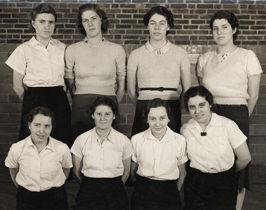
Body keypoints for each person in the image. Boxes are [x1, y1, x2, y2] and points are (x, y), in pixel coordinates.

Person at [197, 10, 262, 209]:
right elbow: (202, 94)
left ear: (234, 29)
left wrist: (239, 119)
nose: (219, 32)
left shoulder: (247, 56)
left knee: (237, 166)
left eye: (225, 27)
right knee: (211, 160)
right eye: (215, 28)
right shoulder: (205, 59)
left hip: (237, 114)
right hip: (210, 115)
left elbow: (254, 95)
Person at [5, 4, 72, 147]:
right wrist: (31, 101)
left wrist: (58, 95)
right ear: (33, 23)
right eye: (42, 21)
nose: (47, 26)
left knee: (61, 139)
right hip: (34, 98)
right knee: (34, 142)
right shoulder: (24, 49)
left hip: (59, 98)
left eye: (51, 22)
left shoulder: (62, 48)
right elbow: (17, 86)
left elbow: (66, 81)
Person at [181, 86, 251, 210]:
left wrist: (227, 174)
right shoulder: (186, 129)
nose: (197, 111)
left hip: (223, 183)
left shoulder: (227, 125)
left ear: (210, 104)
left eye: (202, 105)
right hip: (196, 183)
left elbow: (245, 158)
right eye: (192, 107)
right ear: (188, 109)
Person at [65, 4, 126, 141]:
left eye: (94, 18)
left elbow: (122, 86)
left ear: (101, 20)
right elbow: (70, 82)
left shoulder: (116, 50)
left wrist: (112, 104)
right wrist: (80, 97)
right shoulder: (72, 50)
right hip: (81, 105)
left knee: (110, 145)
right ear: (82, 24)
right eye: (85, 20)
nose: (90, 23)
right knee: (80, 146)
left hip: (109, 103)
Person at [127, 6, 191, 136]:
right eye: (152, 23)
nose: (157, 28)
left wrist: (175, 106)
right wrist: (143, 106)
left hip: (171, 106)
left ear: (168, 27)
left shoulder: (180, 53)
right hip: (144, 105)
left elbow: (187, 88)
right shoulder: (135, 54)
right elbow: (131, 91)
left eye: (162, 23)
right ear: (147, 26)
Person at [5, 107, 72, 210]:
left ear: (51, 127)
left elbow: (66, 169)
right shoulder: (17, 148)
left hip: (55, 197)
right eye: (37, 125)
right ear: (29, 125)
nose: (42, 131)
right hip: (26, 198)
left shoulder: (62, 148)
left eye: (47, 126)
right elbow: (13, 169)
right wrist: (24, 187)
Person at [71, 96, 131, 210]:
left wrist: (115, 186)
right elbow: (76, 173)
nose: (103, 118)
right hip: (88, 191)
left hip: (115, 190)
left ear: (114, 116)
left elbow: (127, 172)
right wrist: (89, 187)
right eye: (99, 114)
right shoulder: (82, 139)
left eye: (107, 114)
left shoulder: (123, 141)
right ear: (93, 115)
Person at [130, 98, 187, 210]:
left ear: (168, 118)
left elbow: (182, 173)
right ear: (147, 119)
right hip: (143, 191)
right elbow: (133, 172)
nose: (157, 124)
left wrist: (174, 191)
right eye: (152, 119)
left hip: (169, 192)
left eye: (162, 118)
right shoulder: (137, 139)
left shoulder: (179, 140)